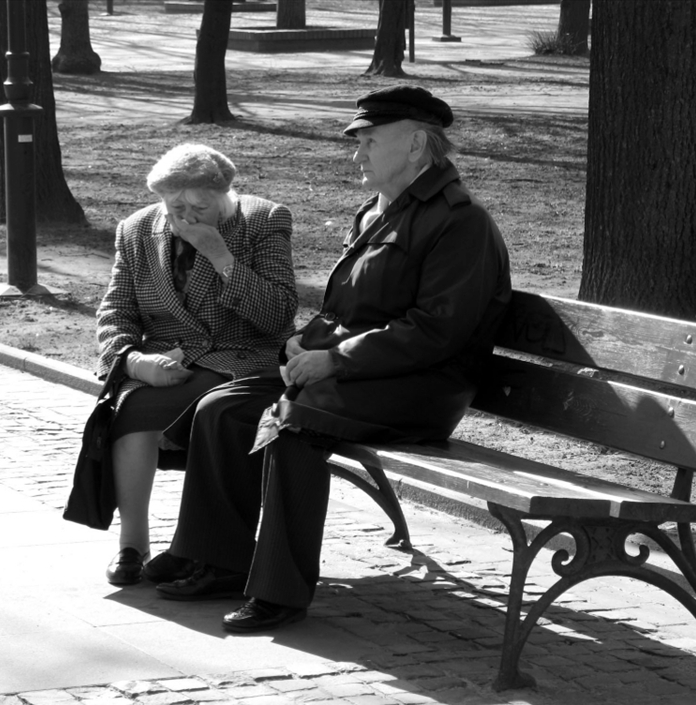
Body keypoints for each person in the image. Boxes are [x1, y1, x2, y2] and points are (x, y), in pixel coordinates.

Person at [154, 85, 512, 633]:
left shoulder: (460, 221)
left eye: (369, 141)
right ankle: (216, 559)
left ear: (416, 146)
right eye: (357, 142)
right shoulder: (377, 210)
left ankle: (279, 591)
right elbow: (347, 310)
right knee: (222, 407)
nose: (357, 153)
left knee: (296, 421)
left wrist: (336, 360)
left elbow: (437, 330)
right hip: (359, 378)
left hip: (421, 389)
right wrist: (302, 344)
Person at [97, 143, 298, 586]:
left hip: (240, 358)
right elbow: (116, 310)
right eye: (176, 207)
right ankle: (132, 544)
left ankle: (194, 547)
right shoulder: (136, 229)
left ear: (224, 198)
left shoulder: (263, 220)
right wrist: (132, 360)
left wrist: (221, 257)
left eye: (200, 208)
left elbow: (279, 314)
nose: (186, 217)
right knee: (130, 409)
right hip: (167, 360)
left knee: (212, 409)